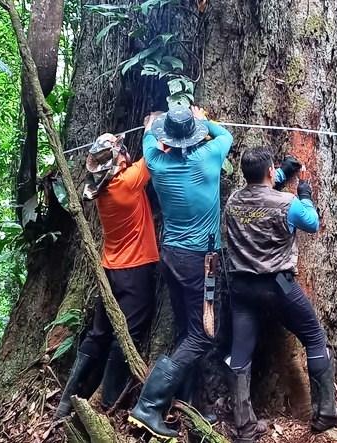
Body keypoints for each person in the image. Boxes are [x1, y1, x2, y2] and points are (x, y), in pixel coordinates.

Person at [128, 105, 233, 438]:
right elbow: (225, 134)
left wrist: (154, 124)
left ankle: (187, 403)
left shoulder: (155, 162)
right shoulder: (210, 157)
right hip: (200, 261)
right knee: (203, 334)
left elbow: (147, 134)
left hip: (171, 255)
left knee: (187, 330)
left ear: (166, 139)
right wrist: (203, 119)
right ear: (194, 134)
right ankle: (148, 406)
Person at [222, 149, 337, 442]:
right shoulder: (289, 204)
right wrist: (306, 194)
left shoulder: (233, 201)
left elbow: (260, 200)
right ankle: (325, 413)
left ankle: (244, 427)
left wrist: (282, 174)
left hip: (241, 288)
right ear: (270, 171)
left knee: (240, 353)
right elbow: (311, 223)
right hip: (278, 286)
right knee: (314, 337)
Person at [55, 133, 159, 419]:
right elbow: (153, 155)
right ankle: (108, 399)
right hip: (134, 271)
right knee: (128, 333)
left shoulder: (101, 190)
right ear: (118, 161)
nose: (126, 154)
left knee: (98, 333)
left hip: (110, 270)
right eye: (122, 152)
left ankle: (66, 401)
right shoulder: (126, 183)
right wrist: (151, 128)